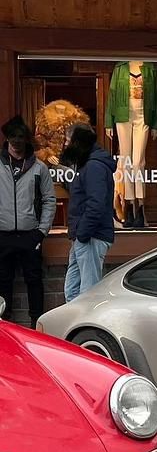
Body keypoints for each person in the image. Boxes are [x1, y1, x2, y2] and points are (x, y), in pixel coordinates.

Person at [0, 116, 56, 327]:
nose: (16, 142)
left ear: (26, 140)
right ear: (7, 140)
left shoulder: (39, 168)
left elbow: (50, 199)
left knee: (34, 281)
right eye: (13, 138)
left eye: (20, 138)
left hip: (29, 234)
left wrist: (41, 232)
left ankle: (36, 324)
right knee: (3, 282)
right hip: (3, 234)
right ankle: (4, 325)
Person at [61, 124, 115, 301]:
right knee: (72, 291)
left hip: (91, 236)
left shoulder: (93, 166)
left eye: (68, 141)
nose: (65, 145)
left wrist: (83, 233)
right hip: (84, 236)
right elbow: (87, 196)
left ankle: (86, 328)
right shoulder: (88, 165)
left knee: (88, 294)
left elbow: (96, 204)